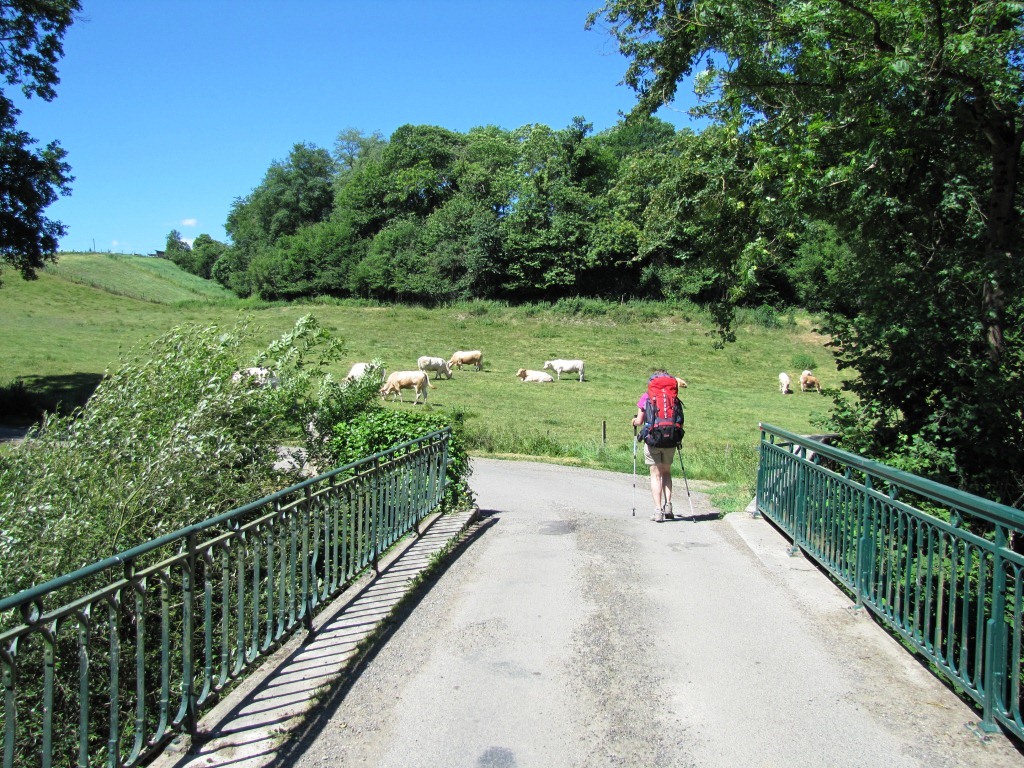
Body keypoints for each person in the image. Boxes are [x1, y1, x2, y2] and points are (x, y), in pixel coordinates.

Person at [632, 370, 678, 522]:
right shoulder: (673, 397)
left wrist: (634, 422)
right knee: (666, 473)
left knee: (655, 475)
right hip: (670, 439)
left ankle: (658, 511)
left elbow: (639, 421)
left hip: (653, 439)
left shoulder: (647, 397)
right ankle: (669, 506)